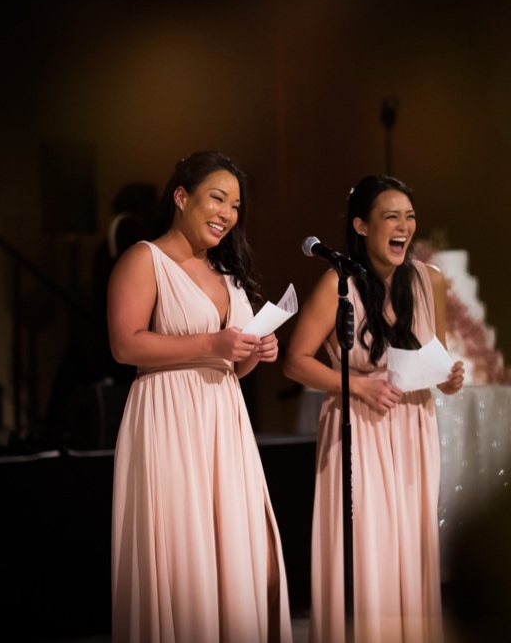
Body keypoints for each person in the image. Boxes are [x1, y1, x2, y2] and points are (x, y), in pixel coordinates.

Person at [108, 151, 291, 642]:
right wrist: (213, 343)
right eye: (217, 198)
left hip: (223, 419)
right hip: (168, 415)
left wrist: (257, 349)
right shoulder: (144, 258)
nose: (227, 214)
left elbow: (235, 362)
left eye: (235, 206)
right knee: (183, 551)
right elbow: (125, 343)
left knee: (236, 546)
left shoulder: (228, 275)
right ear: (182, 196)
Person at [281, 175, 464, 643]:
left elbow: (435, 359)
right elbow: (295, 362)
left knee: (409, 552)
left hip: (413, 430)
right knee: (367, 554)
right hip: (358, 430)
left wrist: (449, 379)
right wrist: (359, 386)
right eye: (391, 217)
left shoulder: (431, 281)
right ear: (362, 226)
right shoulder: (336, 283)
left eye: (409, 216)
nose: (404, 226)